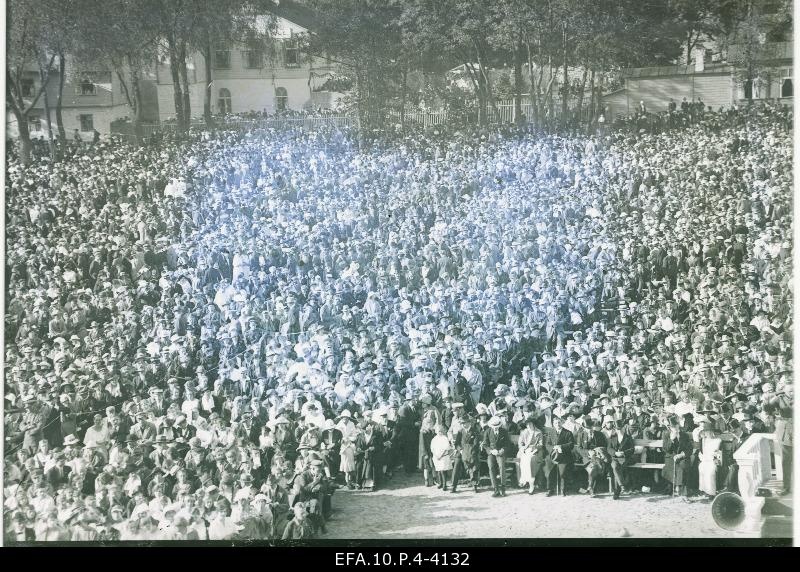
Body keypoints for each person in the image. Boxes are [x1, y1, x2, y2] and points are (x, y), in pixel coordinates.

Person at [545, 414, 574, 497]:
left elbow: (571, 444)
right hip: (553, 455)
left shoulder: (568, 433)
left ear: (562, 423)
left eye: (559, 422)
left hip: (564, 456)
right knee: (549, 471)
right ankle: (550, 489)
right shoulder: (551, 433)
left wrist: (561, 447)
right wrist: (554, 448)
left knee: (562, 472)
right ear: (553, 424)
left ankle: (563, 490)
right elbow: (547, 444)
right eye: (556, 423)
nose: (558, 424)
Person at [517, 415, 546, 494]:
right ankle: (523, 479)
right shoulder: (524, 432)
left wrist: (534, 448)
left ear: (533, 424)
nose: (528, 426)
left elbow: (540, 444)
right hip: (525, 451)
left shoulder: (538, 432)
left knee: (530, 460)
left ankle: (531, 483)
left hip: (535, 451)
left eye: (530, 424)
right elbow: (520, 443)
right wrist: (522, 448)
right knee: (522, 459)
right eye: (527, 424)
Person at [482, 416, 510, 497]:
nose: (496, 428)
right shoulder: (487, 431)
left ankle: (503, 488)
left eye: (497, 427)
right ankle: (495, 489)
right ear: (491, 426)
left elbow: (507, 444)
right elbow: (485, 444)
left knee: (501, 466)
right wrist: (491, 451)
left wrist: (502, 450)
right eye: (494, 427)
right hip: (491, 453)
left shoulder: (504, 431)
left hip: (500, 453)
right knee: (491, 466)